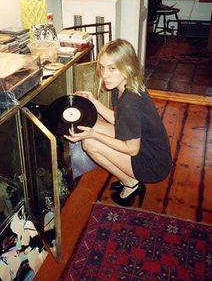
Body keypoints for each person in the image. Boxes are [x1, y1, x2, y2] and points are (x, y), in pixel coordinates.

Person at [64, 39, 172, 207]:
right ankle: (130, 180)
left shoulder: (131, 103)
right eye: (102, 66)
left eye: (112, 68)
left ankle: (130, 183)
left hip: (152, 163)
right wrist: (93, 101)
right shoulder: (123, 87)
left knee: (90, 144)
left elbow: (132, 149)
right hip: (147, 147)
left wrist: (94, 135)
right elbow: (120, 121)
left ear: (127, 67)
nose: (104, 74)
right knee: (93, 126)